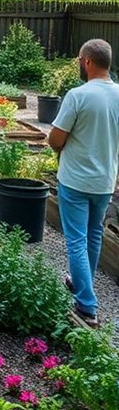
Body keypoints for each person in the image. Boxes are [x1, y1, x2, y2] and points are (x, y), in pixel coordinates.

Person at [48, 39, 119, 328]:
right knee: (93, 236)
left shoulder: (77, 95)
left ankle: (87, 306)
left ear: (87, 61)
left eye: (80, 60)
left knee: (76, 240)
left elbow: (56, 139)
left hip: (76, 179)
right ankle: (80, 283)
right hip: (104, 182)